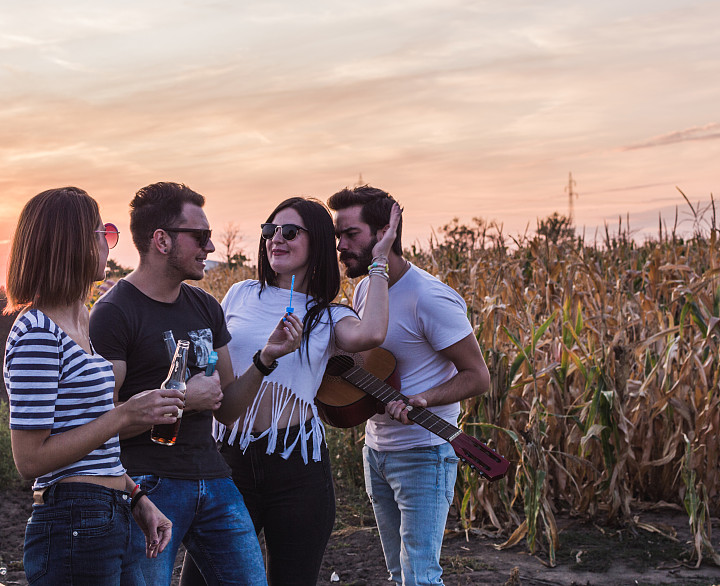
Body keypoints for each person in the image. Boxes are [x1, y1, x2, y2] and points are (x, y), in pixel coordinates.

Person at [89, 182, 302, 585]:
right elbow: (103, 423)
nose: (211, 248)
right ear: (162, 240)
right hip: (148, 487)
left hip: (215, 477)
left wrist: (266, 358)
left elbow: (227, 406)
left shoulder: (205, 306)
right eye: (201, 237)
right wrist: (184, 399)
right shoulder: (113, 313)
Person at [180, 196, 401, 585]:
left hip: (297, 467)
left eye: (289, 232)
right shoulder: (240, 294)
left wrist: (379, 259)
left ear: (315, 242)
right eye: (269, 230)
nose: (275, 239)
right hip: (230, 461)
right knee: (202, 579)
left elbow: (373, 333)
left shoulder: (329, 314)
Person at [3, 187, 181, 585]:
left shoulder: (81, 322)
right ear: (72, 243)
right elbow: (29, 460)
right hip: (72, 521)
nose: (109, 246)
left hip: (105, 512)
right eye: (103, 234)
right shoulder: (37, 334)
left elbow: (91, 445)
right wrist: (124, 415)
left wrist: (136, 497)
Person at [327, 185, 491, 586]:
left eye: (351, 235)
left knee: (420, 575)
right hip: (377, 452)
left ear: (385, 234)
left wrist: (425, 398)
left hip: (425, 455)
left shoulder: (430, 298)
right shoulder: (368, 287)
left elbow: (478, 376)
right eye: (337, 237)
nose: (340, 246)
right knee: (399, 572)